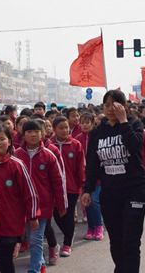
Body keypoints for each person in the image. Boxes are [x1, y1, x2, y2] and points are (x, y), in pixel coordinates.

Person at [82, 90, 145, 273]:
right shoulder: (97, 131)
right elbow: (93, 163)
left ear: (124, 106)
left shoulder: (135, 124)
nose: (111, 109)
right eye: (107, 105)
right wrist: (87, 189)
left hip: (134, 191)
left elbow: (135, 146)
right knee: (116, 242)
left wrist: (123, 121)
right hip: (110, 194)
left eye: (116, 104)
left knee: (131, 242)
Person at [0, 124, 38, 273]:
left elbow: (29, 192)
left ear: (10, 142)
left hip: (10, 223)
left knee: (5, 260)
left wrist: (33, 216)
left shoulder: (17, 165)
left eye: (2, 139)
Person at [14, 120, 67, 273]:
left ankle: (35, 269)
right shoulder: (17, 156)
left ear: (43, 134)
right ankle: (41, 262)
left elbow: (58, 180)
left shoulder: (49, 155)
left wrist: (61, 204)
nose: (33, 134)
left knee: (35, 239)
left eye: (37, 131)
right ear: (23, 135)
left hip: (43, 205)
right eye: (29, 131)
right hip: (23, 206)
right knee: (30, 237)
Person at [50, 116, 85, 258]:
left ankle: (67, 243)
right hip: (53, 189)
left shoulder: (76, 145)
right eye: (61, 128)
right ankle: (69, 233)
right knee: (57, 215)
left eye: (66, 127)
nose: (65, 130)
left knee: (69, 215)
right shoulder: (49, 146)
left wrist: (83, 186)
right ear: (54, 130)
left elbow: (81, 167)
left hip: (71, 187)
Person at [75, 112, 104, 240]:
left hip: (97, 175)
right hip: (83, 175)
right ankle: (91, 228)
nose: (85, 125)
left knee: (94, 200)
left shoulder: (98, 136)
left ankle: (99, 226)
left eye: (87, 122)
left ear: (93, 123)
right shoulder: (77, 139)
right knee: (86, 202)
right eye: (82, 122)